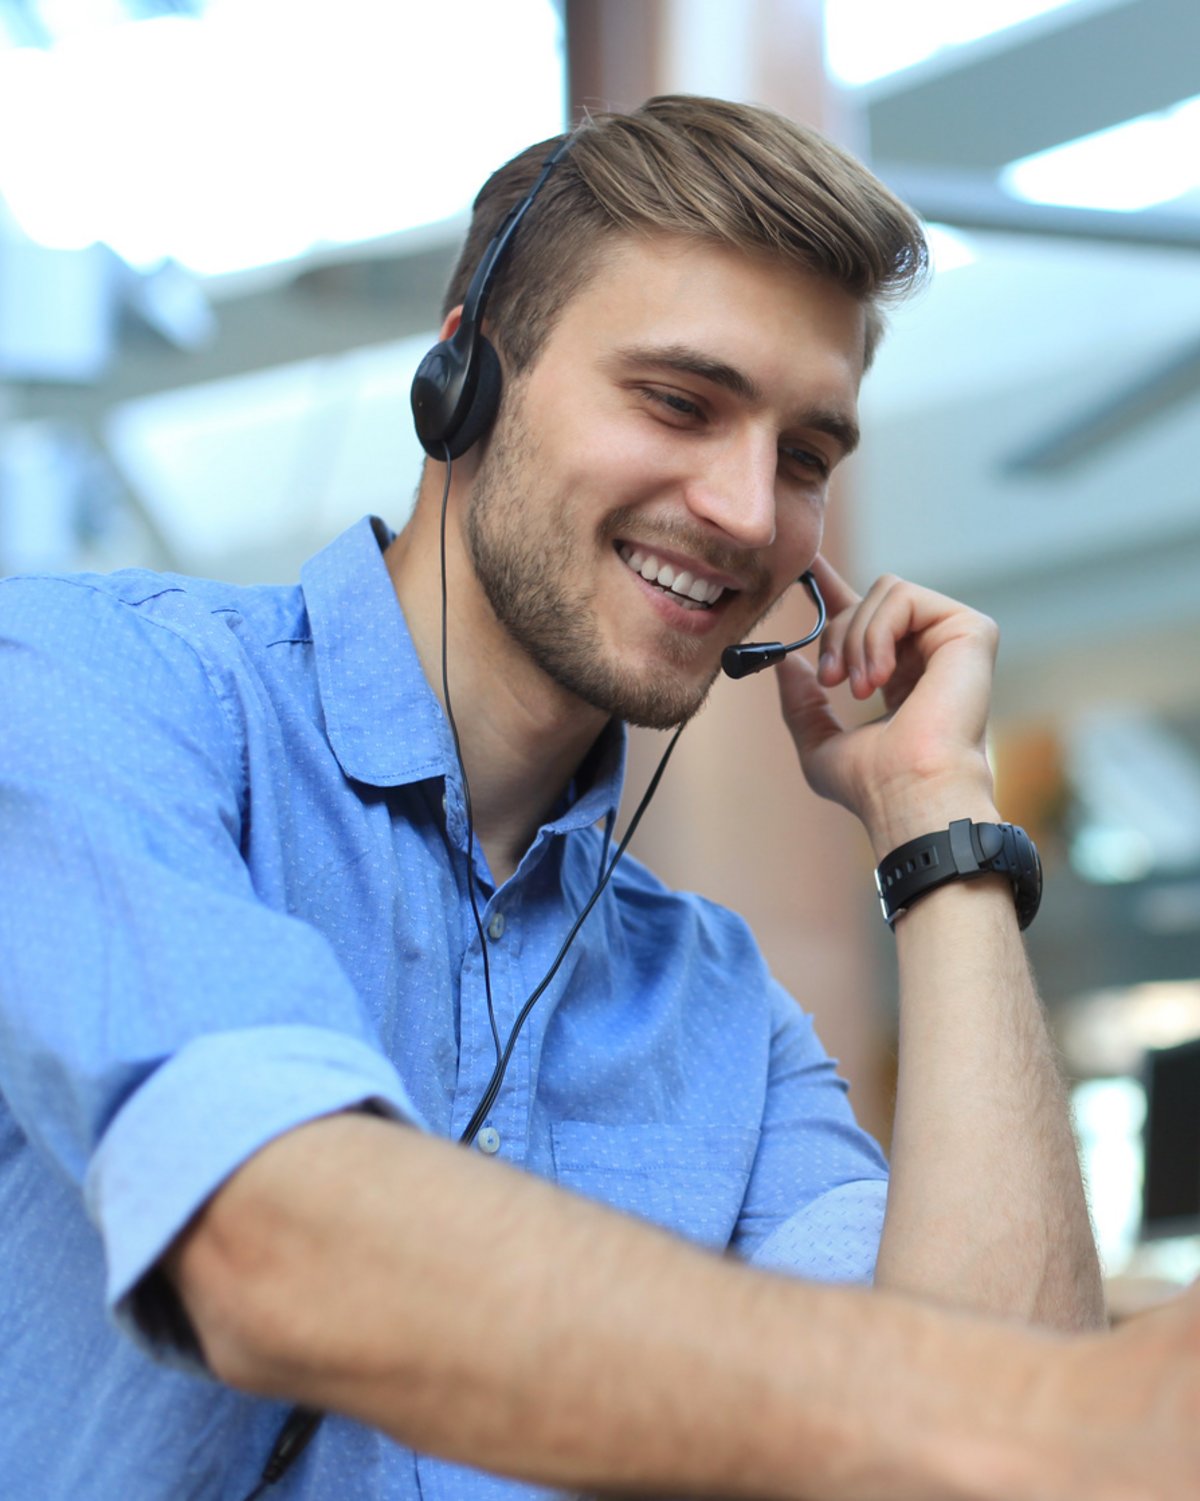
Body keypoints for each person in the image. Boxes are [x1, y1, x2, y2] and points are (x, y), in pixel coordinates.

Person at [0, 93, 1193, 1501]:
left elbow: (978, 1466)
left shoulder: (724, 1015)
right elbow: (265, 1240)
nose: (751, 512)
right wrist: (1051, 1415)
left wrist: (938, 821)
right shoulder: (91, 690)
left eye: (804, 455)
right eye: (680, 402)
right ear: (462, 384)